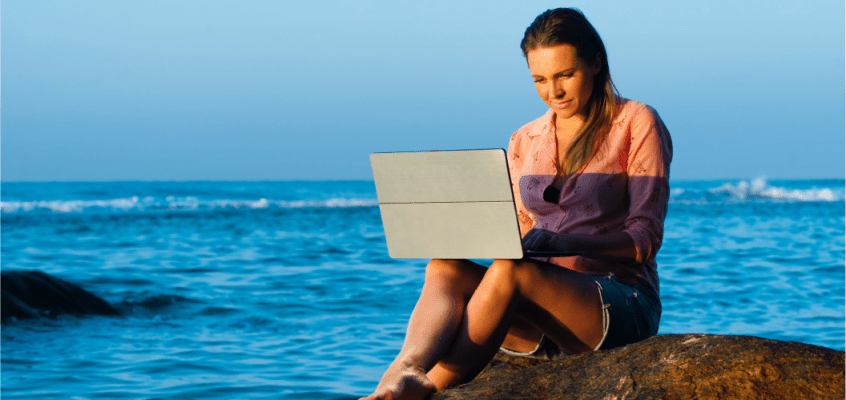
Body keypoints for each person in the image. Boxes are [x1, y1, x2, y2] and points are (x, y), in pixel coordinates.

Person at [361, 7, 672, 400]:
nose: (553, 91)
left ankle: (424, 392)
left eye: (565, 75)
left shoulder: (635, 122)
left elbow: (644, 239)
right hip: (533, 317)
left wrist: (568, 244)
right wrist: (471, 232)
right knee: (444, 267)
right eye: (539, 79)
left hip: (615, 305)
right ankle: (404, 370)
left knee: (510, 273)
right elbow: (518, 230)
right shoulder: (525, 138)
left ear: (595, 62)